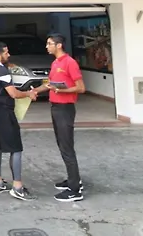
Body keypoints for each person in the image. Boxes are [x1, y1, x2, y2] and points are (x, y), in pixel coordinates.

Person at [33, 33, 86, 202]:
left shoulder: (70, 62)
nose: (46, 46)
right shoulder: (55, 63)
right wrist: (34, 91)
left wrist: (62, 91)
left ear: (59, 45)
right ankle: (73, 179)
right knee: (62, 145)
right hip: (55, 107)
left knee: (67, 147)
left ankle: (75, 190)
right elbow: (49, 84)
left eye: (49, 43)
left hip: (65, 109)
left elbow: (81, 87)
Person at [0, 42, 38, 201]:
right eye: (6, 52)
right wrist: (28, 94)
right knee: (16, 149)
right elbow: (13, 93)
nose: (9, 55)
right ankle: (17, 187)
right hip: (5, 114)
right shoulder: (1, 71)